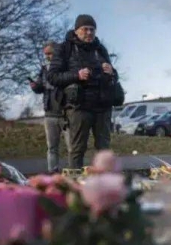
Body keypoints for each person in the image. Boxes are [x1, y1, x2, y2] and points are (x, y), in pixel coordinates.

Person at [48, 14, 118, 169]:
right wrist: (76, 75)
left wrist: (112, 71)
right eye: (85, 29)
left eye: (92, 30)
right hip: (79, 106)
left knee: (104, 150)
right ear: (76, 30)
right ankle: (75, 186)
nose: (89, 33)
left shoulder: (100, 49)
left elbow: (114, 77)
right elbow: (52, 76)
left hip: (102, 106)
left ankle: (105, 186)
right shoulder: (64, 48)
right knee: (77, 149)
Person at [30, 42, 70, 172]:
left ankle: (74, 173)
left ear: (57, 52)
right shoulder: (44, 70)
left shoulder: (67, 67)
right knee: (52, 147)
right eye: (45, 54)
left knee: (72, 148)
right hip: (50, 114)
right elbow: (40, 87)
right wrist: (35, 87)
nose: (47, 56)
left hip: (66, 115)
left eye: (50, 53)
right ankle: (53, 174)